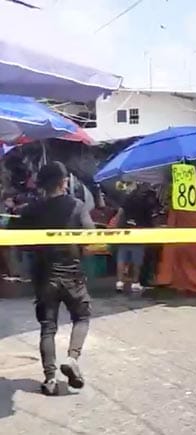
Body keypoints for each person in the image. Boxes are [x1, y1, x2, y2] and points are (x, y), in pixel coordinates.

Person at [9, 161, 94, 395]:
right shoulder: (76, 206)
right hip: (71, 273)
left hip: (43, 275)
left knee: (48, 327)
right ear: (64, 182)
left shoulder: (32, 209)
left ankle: (49, 380)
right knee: (82, 316)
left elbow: (12, 235)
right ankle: (72, 358)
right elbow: (91, 238)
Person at [112, 184, 158, 292]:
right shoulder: (147, 200)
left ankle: (120, 282)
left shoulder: (128, 196)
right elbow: (151, 218)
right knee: (137, 257)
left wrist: (116, 226)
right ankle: (135, 282)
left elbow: (120, 212)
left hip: (125, 229)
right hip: (138, 230)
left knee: (122, 257)